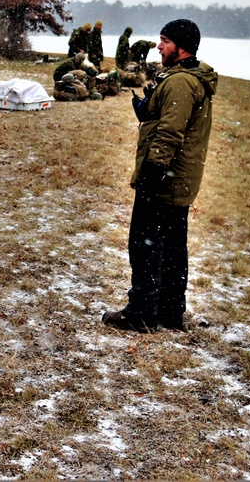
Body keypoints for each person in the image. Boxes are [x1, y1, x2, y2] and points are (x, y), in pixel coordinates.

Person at [103, 19, 217, 333]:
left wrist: (153, 175)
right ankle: (169, 311)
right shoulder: (190, 78)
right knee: (171, 247)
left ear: (181, 48)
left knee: (146, 246)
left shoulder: (181, 82)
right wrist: (148, 109)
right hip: (177, 179)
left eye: (164, 41)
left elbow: (169, 134)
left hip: (165, 178)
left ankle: (141, 312)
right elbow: (168, 119)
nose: (159, 46)